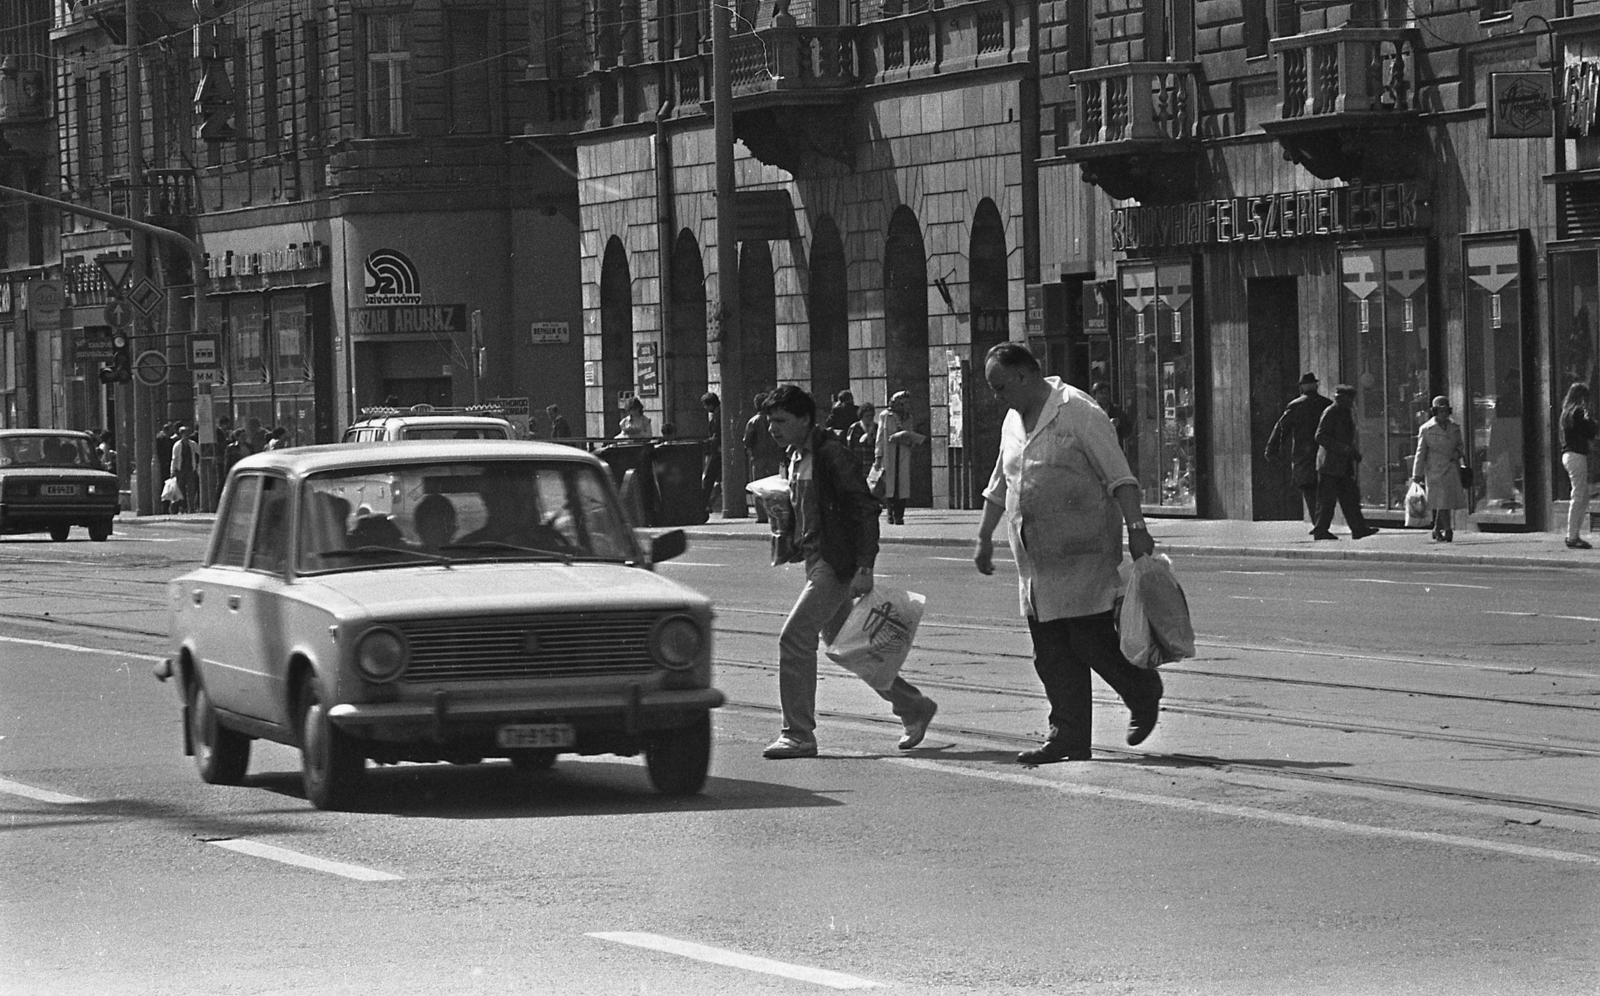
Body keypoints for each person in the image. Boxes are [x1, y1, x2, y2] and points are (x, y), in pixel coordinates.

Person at [972, 343, 1163, 764]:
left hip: (1083, 553)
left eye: (1000, 386)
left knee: (1090, 640)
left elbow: (1120, 476)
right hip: (1036, 562)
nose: (996, 396)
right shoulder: (1013, 421)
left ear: (1024, 375)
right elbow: (1001, 482)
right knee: (1051, 653)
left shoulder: (1077, 410)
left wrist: (1137, 529)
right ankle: (1068, 737)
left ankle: (1141, 689)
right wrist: (984, 536)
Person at [758, 384, 938, 759]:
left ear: (804, 419)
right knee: (850, 646)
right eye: (769, 421)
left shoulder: (829, 453)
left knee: (794, 639)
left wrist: (865, 564)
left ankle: (798, 733)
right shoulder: (795, 455)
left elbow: (863, 507)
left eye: (780, 421)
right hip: (815, 558)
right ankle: (913, 706)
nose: (772, 428)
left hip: (834, 562)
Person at [1311, 384, 1380, 541]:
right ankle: (1320, 531)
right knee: (1327, 501)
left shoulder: (1346, 412)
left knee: (1350, 498)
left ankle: (1358, 529)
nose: (1352, 403)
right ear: (1340, 398)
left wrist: (1352, 452)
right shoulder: (1331, 412)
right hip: (1329, 466)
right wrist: (1345, 450)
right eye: (1349, 399)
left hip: (1342, 465)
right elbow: (1320, 436)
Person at [1263, 372, 1332, 526]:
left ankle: (1319, 525)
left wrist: (1271, 450)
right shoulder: (1326, 404)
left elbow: (1280, 429)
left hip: (1304, 456)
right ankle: (1321, 524)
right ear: (1316, 386)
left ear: (1301, 388)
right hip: (1325, 454)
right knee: (1324, 491)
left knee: (1309, 490)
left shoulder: (1295, 405)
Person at [1412, 395, 1468, 542]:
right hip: (1435, 469)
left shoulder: (1455, 427)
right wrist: (1416, 473)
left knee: (1445, 501)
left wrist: (1457, 454)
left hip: (1451, 467)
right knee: (1442, 500)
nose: (1444, 414)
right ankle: (1448, 530)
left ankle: (1437, 529)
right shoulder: (1426, 429)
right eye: (1440, 411)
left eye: (1446, 411)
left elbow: (1460, 446)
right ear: (1435, 411)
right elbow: (1421, 452)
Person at [873, 391, 926, 525]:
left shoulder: (908, 417)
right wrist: (878, 457)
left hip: (902, 452)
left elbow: (910, 435)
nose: (907, 405)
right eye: (905, 403)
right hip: (889, 453)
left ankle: (900, 515)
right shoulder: (886, 416)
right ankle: (890, 514)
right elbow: (880, 437)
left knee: (902, 486)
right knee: (891, 485)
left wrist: (907, 439)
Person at [1560, 382, 1597, 550]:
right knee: (1579, 496)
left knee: (1582, 495)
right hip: (1576, 455)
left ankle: (1573, 534)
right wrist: (1589, 418)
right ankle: (1572, 536)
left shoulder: (1565, 412)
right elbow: (1590, 432)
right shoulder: (1578, 412)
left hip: (1567, 455)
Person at [744, 392, 784, 523]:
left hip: (758, 457)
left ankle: (761, 515)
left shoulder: (753, 421)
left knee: (759, 487)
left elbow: (748, 440)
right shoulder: (773, 419)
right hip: (774, 455)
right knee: (773, 487)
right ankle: (774, 513)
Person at [167, 425, 202, 515]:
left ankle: (191, 508)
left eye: (187, 433)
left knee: (191, 490)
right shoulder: (177, 445)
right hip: (180, 470)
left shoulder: (193, 444)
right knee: (181, 491)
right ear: (181, 434)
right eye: (184, 433)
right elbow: (174, 459)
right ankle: (182, 507)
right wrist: (172, 471)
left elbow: (200, 452)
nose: (186, 435)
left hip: (190, 469)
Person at [1090, 382, 1133, 449]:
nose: (1104, 396)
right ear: (1095, 395)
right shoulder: (1090, 410)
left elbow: (1129, 430)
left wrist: (1119, 424)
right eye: (1101, 393)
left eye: (1106, 393)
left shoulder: (1116, 410)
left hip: (1113, 449)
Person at [702, 391, 722, 514]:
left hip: (717, 450)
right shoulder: (718, 412)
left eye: (705, 405)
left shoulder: (717, 414)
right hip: (718, 449)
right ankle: (708, 503)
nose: (705, 408)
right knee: (715, 478)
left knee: (709, 477)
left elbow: (717, 433)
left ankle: (704, 503)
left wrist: (708, 442)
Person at [846, 402, 878, 473]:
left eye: (871, 416)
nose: (870, 418)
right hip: (858, 464)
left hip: (872, 464)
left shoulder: (877, 428)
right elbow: (849, 446)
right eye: (867, 416)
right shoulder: (854, 428)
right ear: (862, 416)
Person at [153, 422, 177, 513]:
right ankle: (164, 508)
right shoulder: (163, 438)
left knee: (166, 486)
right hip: (165, 465)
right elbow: (165, 453)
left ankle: (165, 508)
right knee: (166, 486)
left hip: (164, 465)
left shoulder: (161, 437)